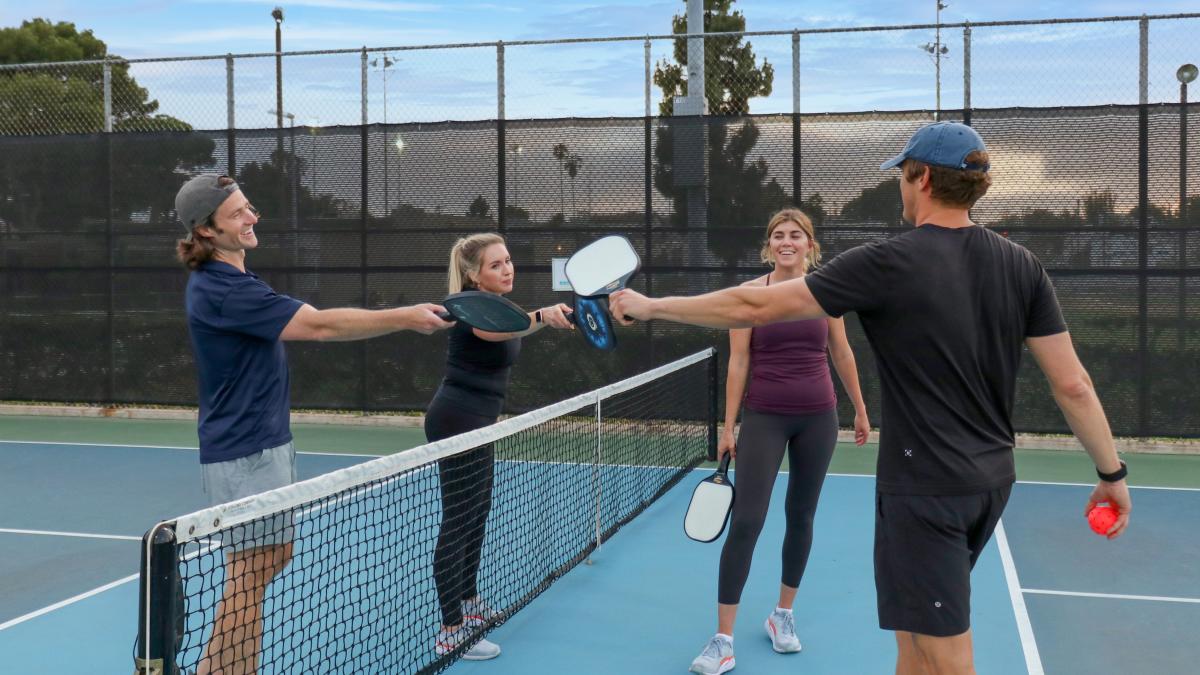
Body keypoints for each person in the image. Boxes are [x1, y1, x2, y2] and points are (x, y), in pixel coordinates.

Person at [610, 122, 1131, 675]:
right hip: (990, 482)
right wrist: (1111, 473)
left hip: (927, 489)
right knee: (913, 642)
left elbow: (754, 307)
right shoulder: (1022, 264)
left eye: (903, 177)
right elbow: (1073, 384)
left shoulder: (886, 262)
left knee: (946, 655)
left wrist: (651, 306)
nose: (900, 188)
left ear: (923, 178)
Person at [173, 174, 453, 675]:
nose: (252, 217)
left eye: (249, 207)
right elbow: (321, 325)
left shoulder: (237, 280)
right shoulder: (221, 290)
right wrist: (406, 316)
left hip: (264, 442)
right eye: (237, 214)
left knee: (267, 560)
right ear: (206, 231)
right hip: (245, 450)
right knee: (251, 571)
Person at [690, 209, 870, 675]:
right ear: (769, 246)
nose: (786, 241)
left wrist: (860, 408)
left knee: (801, 515)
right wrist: (728, 427)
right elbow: (737, 363)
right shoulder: (750, 296)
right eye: (778, 236)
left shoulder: (826, 292)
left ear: (810, 244)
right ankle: (722, 640)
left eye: (795, 235)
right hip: (765, 417)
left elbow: (841, 350)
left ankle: (782, 614)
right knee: (747, 521)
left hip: (819, 418)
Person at [427, 233, 575, 661]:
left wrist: (559, 315)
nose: (507, 269)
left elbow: (515, 322)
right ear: (475, 274)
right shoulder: (466, 305)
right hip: (456, 421)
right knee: (458, 519)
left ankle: (470, 602)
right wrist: (544, 315)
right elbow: (500, 330)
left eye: (508, 261)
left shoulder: (503, 306)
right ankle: (450, 628)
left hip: (480, 423)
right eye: (496, 264)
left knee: (477, 514)